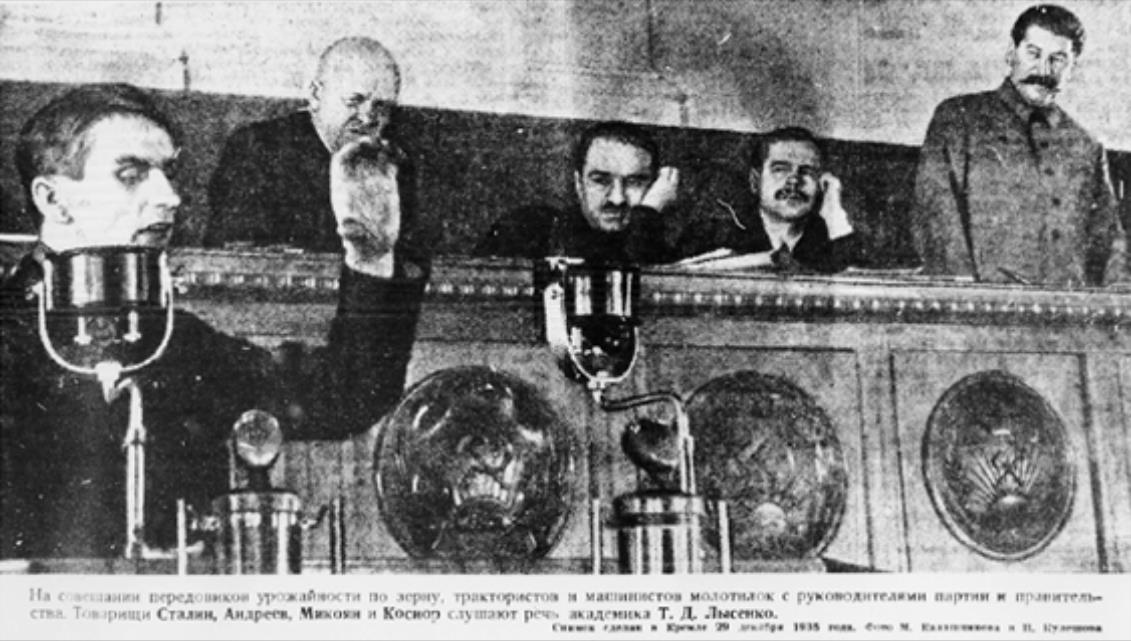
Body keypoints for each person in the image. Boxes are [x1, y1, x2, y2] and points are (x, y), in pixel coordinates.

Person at [1, 83, 425, 560]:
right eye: (131, 173)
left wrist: (371, 259)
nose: (170, 196)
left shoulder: (176, 344)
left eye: (168, 173)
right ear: (53, 200)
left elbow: (346, 394)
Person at [910, 4, 1121, 287]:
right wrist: (963, 306)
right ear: (1011, 52)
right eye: (1033, 53)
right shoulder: (958, 119)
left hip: (1069, 318)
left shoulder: (1085, 144)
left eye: (1058, 59)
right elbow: (938, 224)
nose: (1044, 70)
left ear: (1074, 66)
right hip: (987, 315)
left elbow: (1110, 243)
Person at [205, 36, 420, 257]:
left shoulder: (396, 162)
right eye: (354, 102)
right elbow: (236, 253)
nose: (367, 118)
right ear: (316, 95)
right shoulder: (256, 149)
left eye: (381, 107)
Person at [474, 120, 681, 264]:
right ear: (578, 184)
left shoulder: (657, 248)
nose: (617, 198)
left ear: (655, 187)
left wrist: (649, 211)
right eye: (600, 180)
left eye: (634, 182)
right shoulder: (529, 232)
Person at [675, 126, 856, 274]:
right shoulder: (712, 235)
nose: (794, 180)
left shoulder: (832, 239)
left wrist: (835, 215)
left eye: (807, 171)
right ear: (755, 181)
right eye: (780, 169)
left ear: (821, 184)